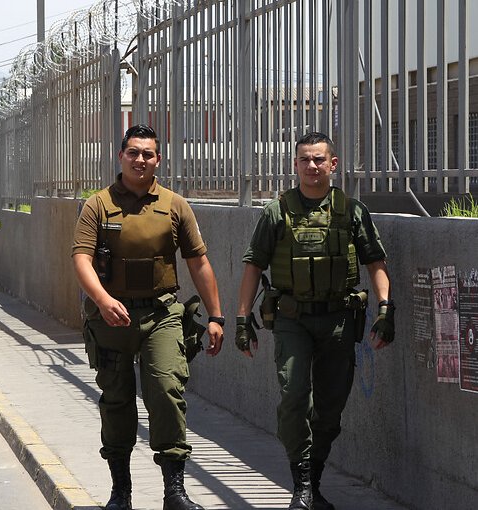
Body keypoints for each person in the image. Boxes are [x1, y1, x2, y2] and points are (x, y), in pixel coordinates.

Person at [234, 132, 394, 510]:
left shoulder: (352, 211)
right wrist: (242, 319)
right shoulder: (277, 211)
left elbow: (376, 263)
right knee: (293, 397)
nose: (312, 166)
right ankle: (301, 485)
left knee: (330, 407)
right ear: (295, 165)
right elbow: (253, 265)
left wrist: (387, 309)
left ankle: (315, 481)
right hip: (292, 319)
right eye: (304, 159)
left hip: (339, 320)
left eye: (319, 159)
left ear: (333, 164)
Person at [72, 124, 224, 510]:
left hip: (162, 315)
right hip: (112, 318)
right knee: (116, 400)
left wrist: (216, 317)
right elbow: (81, 259)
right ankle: (120, 492)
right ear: (120, 156)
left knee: (166, 392)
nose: (140, 160)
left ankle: (174, 491)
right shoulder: (98, 204)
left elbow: (199, 262)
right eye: (133, 152)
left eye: (148, 154)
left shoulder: (174, 205)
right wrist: (103, 299)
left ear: (158, 159)